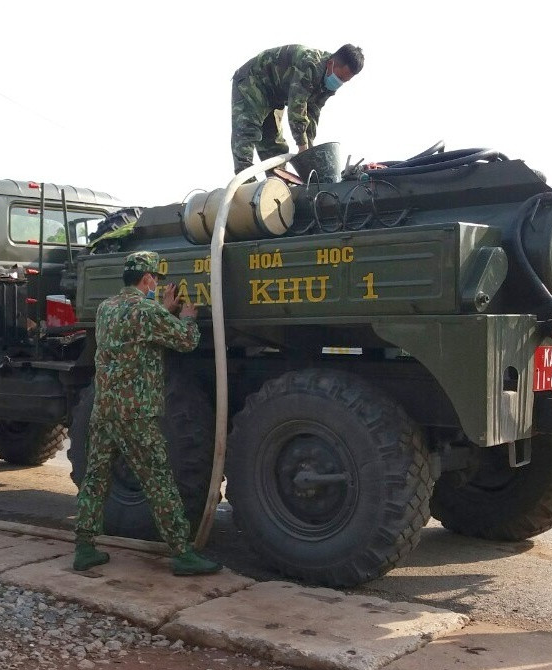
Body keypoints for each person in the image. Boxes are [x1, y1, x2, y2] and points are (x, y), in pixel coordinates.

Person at [73, 250, 222, 576]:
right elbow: (186, 341)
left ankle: (84, 547)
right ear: (147, 279)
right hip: (135, 413)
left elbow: (135, 329)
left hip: (104, 409)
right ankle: (182, 553)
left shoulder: (106, 308)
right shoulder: (146, 312)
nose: (157, 284)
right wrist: (187, 317)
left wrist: (161, 310)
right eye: (155, 279)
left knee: (96, 478)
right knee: (159, 481)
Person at [230, 43, 365, 174]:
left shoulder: (327, 83)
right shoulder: (310, 65)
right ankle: (244, 182)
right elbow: (297, 107)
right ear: (331, 64)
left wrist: (309, 151)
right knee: (247, 131)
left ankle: (277, 183)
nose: (339, 83)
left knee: (274, 145)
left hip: (275, 96)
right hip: (254, 80)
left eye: (344, 81)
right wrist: (302, 146)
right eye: (339, 77)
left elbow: (312, 114)